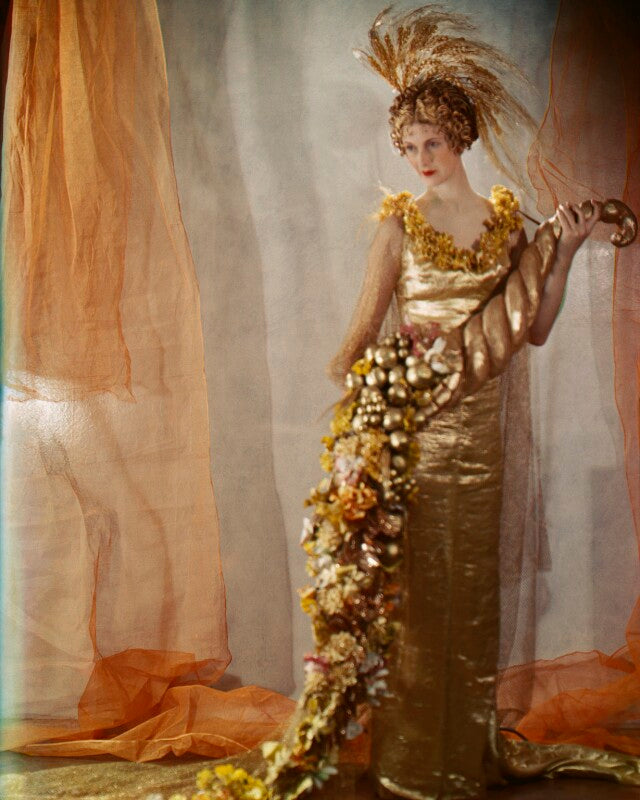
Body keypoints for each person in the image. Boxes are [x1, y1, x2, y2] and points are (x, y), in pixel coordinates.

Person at [325, 9, 602, 800]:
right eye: (410, 147)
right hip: (416, 429)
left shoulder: (509, 226)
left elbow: (533, 331)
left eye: (433, 144)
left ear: (461, 139)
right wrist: (371, 405)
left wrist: (564, 253)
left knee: (471, 596)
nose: (420, 160)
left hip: (482, 443)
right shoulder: (398, 228)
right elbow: (357, 341)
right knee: (417, 598)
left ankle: (461, 755)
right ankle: (412, 763)